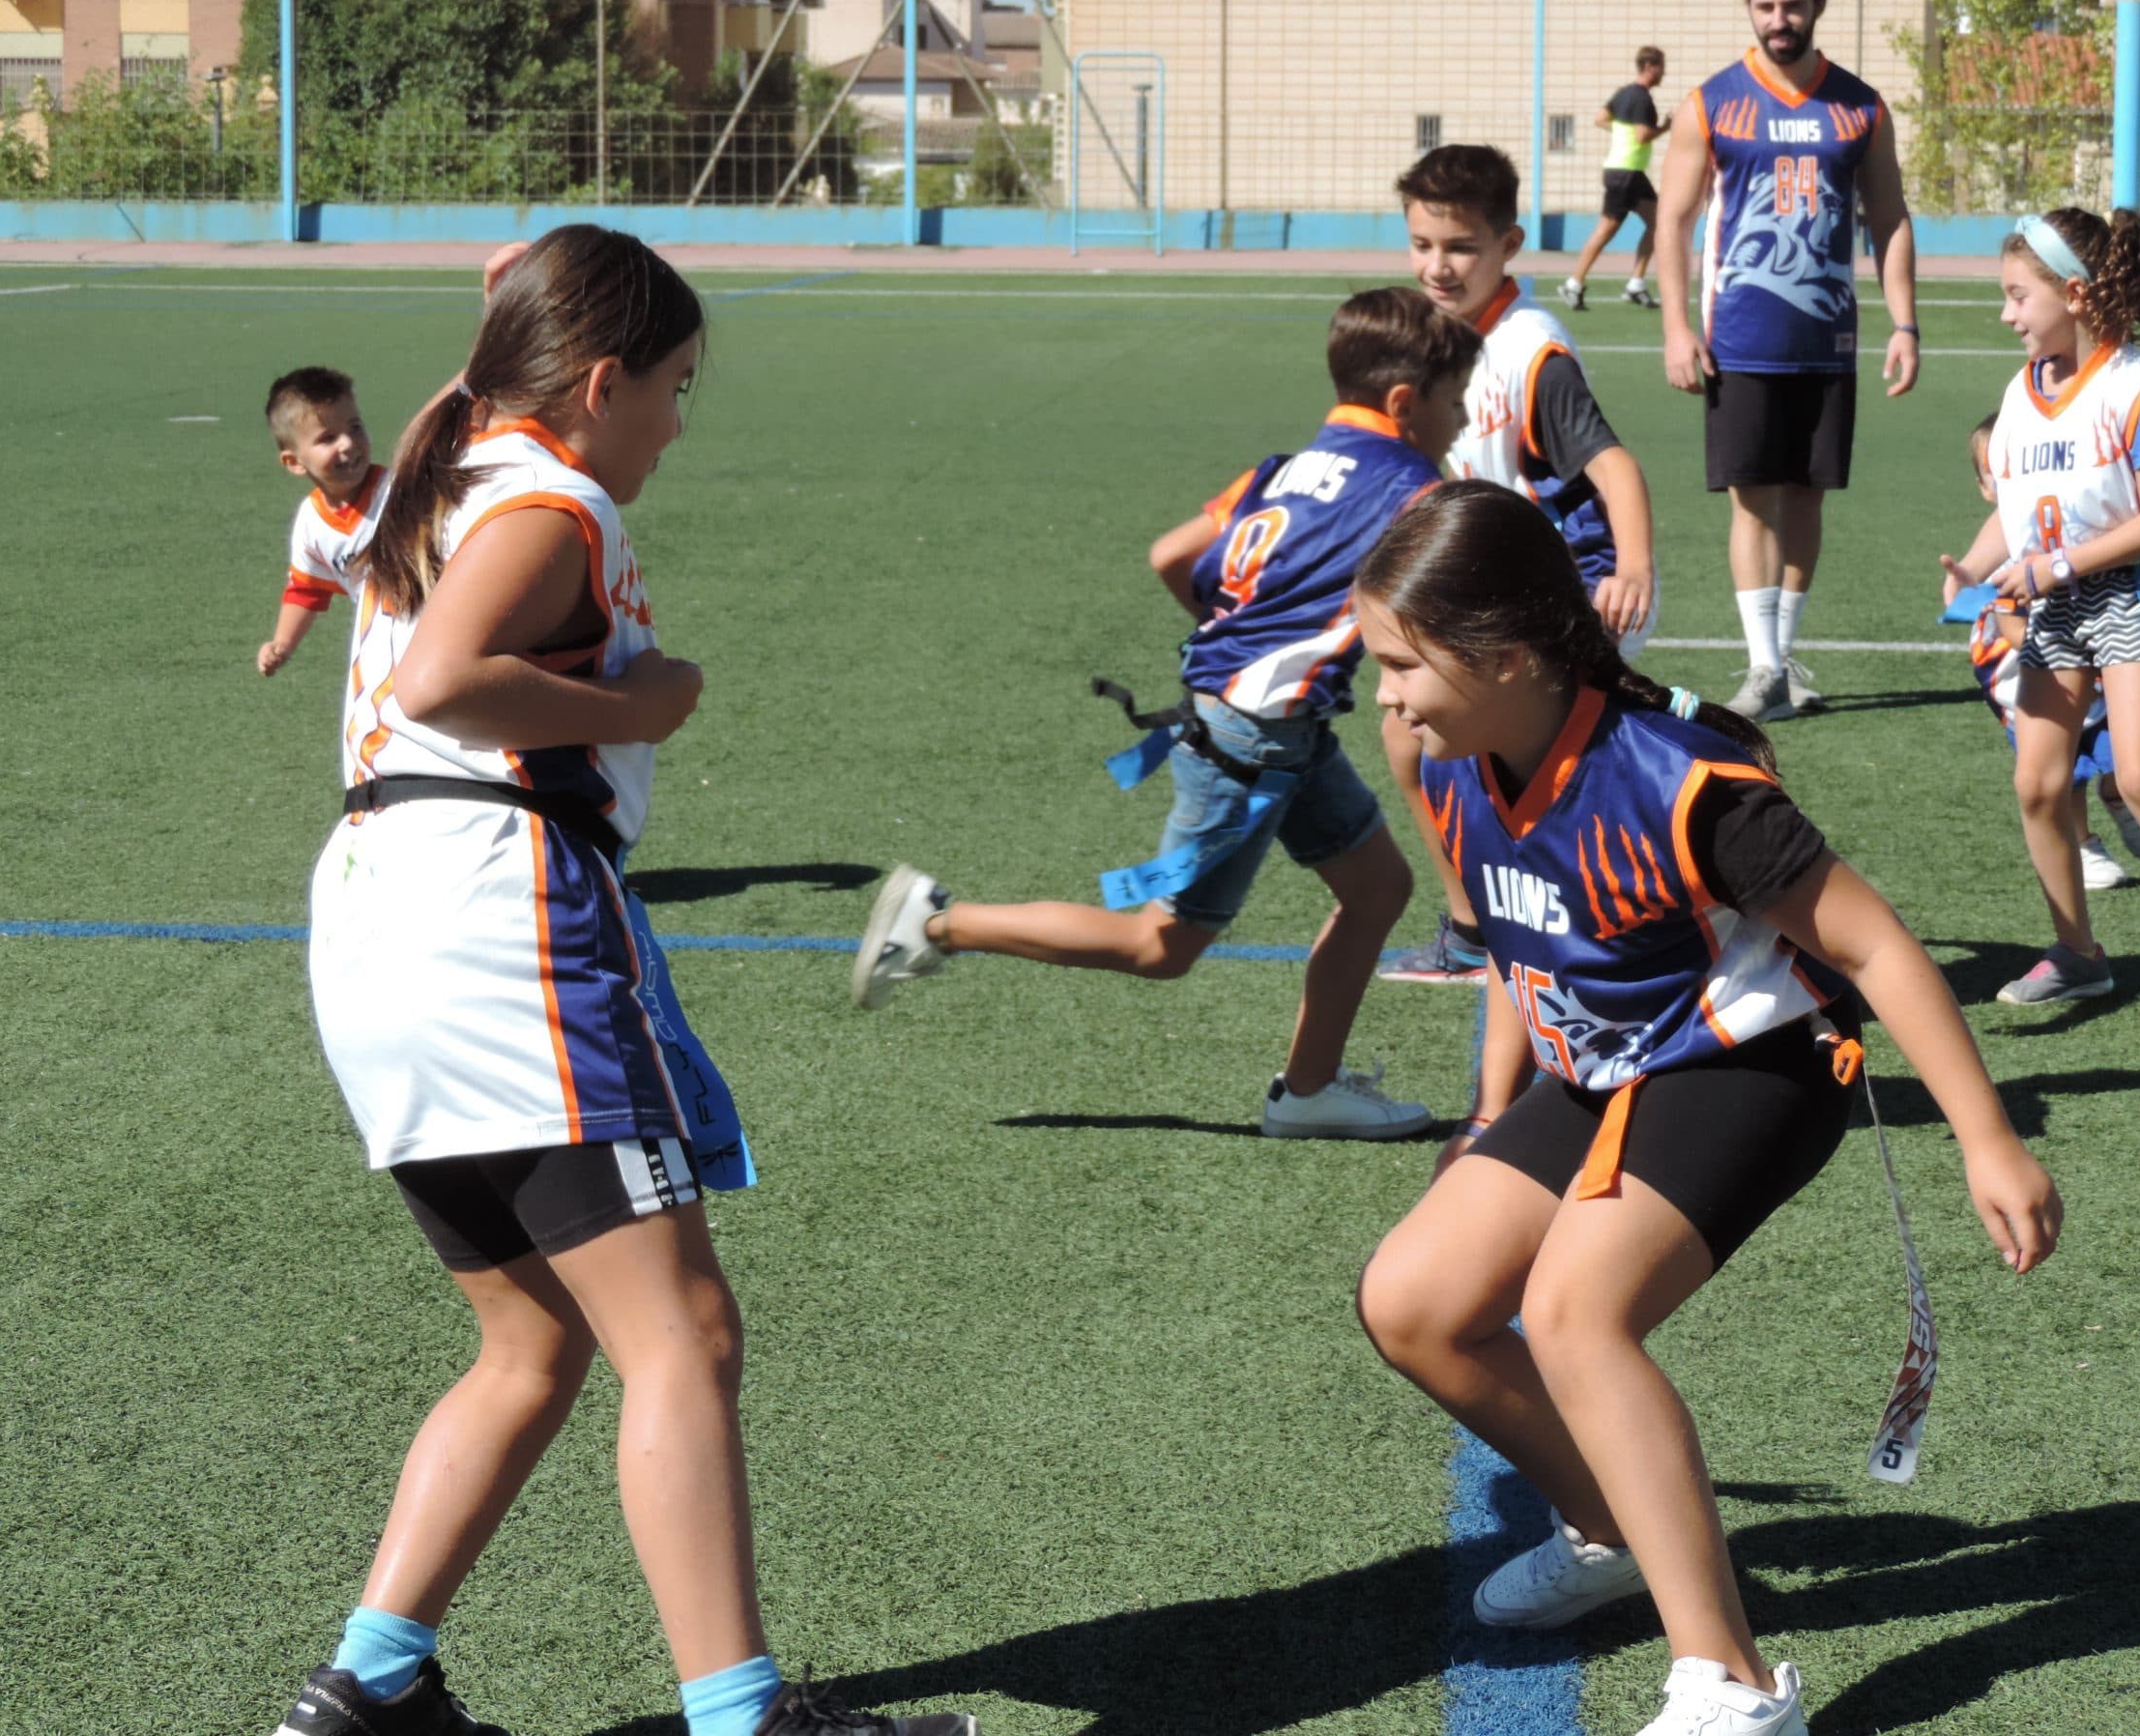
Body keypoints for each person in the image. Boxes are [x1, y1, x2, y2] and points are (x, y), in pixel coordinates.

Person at [286, 224, 976, 1736]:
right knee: (684, 1333)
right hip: (499, 922)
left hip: (375, 922)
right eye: (672, 386)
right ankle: (742, 1720)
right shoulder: (553, 497)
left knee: (533, 1340)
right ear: (599, 384)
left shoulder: (443, 459)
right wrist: (648, 701)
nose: (676, 422)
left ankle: (369, 1688)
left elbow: (476, 402)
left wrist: (509, 298)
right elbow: (444, 679)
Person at [1350, 481, 2062, 1736]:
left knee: (1575, 1313)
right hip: (1606, 1068)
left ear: (1505, 657)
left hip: (1754, 1066)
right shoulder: (1451, 763)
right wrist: (1490, 1113)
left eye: (1402, 665)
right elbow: (1521, 947)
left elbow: (1877, 947)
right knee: (1412, 1302)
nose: (1385, 697)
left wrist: (1987, 1140)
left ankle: (1731, 1686)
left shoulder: (1683, 782)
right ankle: (1609, 1530)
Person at [852, 287, 1480, 1142]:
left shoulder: (1283, 469)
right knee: (1160, 946)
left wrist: (1234, 641)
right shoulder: (1413, 490)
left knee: (1378, 890)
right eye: (1455, 401)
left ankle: (1308, 1091)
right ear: (1404, 404)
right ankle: (936, 922)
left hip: (1267, 723)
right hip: (1255, 737)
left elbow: (1172, 554)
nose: (1462, 417)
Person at [1934, 208, 2140, 1026]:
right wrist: (1975, 569)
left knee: (2139, 775)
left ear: (2073, 294)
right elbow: (2016, 515)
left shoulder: (2138, 389)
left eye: (2017, 295)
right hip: (2054, 607)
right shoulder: (2020, 395)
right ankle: (2078, 955)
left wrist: (2056, 565)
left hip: (2131, 594)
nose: (2006, 314)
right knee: (2038, 782)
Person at [1384, 143, 1659, 988]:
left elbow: (1613, 465)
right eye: (1423, 244)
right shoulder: (1439, 339)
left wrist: (1634, 568)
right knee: (1419, 740)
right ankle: (1484, 931)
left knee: (1492, 757)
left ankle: (1605, 933)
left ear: (1508, 245)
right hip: (1500, 588)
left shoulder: (1531, 350)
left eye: (1460, 247)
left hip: (1574, 588)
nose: (1438, 266)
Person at [1656, 0, 1921, 722]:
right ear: (1751, 9)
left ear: (1817, 7)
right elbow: (1672, 221)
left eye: (1793, 6)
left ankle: (1782, 659)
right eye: (1766, 6)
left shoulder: (1861, 107)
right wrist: (1676, 326)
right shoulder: (1711, 103)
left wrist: (1905, 322)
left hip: (1827, 340)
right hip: (1738, 339)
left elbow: (1890, 218)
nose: (1780, 20)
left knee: (1808, 498)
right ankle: (1763, 666)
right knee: (1752, 501)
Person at [1950, 413, 2134, 895]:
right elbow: (2015, 631)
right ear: (1984, 487)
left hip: (2084, 656)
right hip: (2028, 674)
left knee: (2125, 742)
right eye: (1996, 473)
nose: (2010, 480)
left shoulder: (2069, 527)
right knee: (2062, 768)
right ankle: (2083, 844)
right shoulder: (2009, 554)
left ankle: (2118, 794)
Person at [259, 365, 387, 678]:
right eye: (328, 438)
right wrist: (282, 644)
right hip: (381, 645)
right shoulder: (311, 522)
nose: (348, 443)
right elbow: (306, 589)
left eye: (355, 427)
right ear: (294, 462)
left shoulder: (401, 493)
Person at [1560, 46, 1669, 312]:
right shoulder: (1642, 99)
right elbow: (1642, 135)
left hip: (1629, 172)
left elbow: (1600, 119)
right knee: (1605, 230)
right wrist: (1665, 127)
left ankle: (1636, 284)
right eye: (1661, 67)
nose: (1664, 73)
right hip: (1625, 174)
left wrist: (1622, 133)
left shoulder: (1624, 93)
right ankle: (1573, 284)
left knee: (1658, 222)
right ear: (1650, 67)